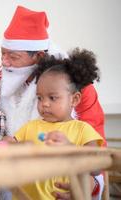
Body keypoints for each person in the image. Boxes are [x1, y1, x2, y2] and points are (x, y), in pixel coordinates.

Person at [0, 5, 106, 199]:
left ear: (39, 56)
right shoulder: (0, 81)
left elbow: (95, 162)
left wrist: (85, 186)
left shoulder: (77, 86)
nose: (4, 62)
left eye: (13, 56)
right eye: (3, 53)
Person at [13, 48, 104, 200]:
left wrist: (71, 148)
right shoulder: (30, 126)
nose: (44, 104)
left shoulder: (83, 129)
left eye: (52, 98)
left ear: (74, 99)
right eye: (40, 98)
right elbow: (11, 146)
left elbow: (96, 168)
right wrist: (8, 143)